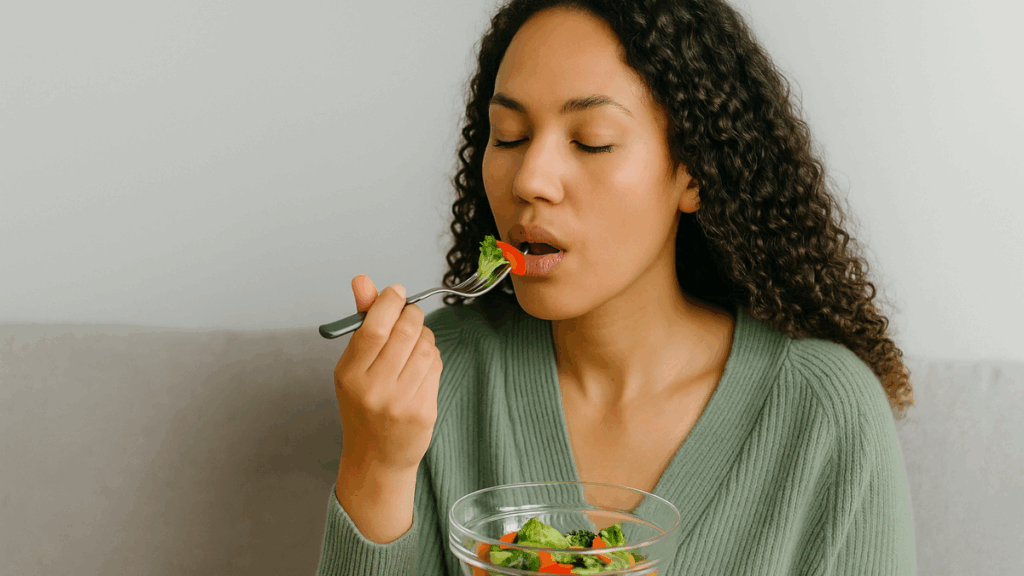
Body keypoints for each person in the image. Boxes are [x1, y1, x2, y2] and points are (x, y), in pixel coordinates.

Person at [319, 0, 917, 574]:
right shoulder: (430, 384)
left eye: (592, 141)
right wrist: (376, 464)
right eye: (508, 136)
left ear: (693, 173)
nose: (531, 179)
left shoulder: (825, 412)